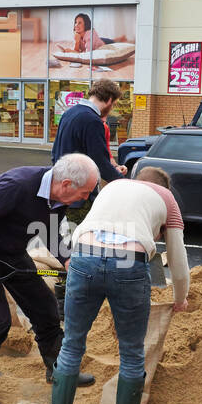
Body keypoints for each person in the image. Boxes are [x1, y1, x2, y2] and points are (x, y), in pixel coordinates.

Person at [49, 165, 191, 404]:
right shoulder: (167, 198)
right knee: (131, 353)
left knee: (72, 345)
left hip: (84, 257)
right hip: (129, 262)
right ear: (163, 186)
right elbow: (177, 259)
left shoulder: (112, 187)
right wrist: (180, 298)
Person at [0, 153, 101, 404]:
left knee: (44, 306)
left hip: (12, 253)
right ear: (67, 184)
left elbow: (51, 228)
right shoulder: (18, 185)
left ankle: (55, 368)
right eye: (86, 192)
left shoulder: (57, 197)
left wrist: (68, 261)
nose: (86, 198)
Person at [50, 79, 125, 314]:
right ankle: (70, 302)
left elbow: (56, 152)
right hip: (80, 195)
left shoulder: (71, 112)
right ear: (110, 101)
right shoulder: (92, 120)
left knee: (68, 242)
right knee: (82, 246)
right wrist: (124, 183)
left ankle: (65, 298)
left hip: (64, 189)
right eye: (113, 105)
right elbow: (100, 163)